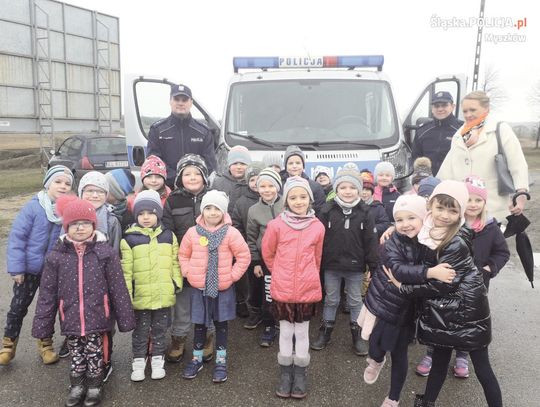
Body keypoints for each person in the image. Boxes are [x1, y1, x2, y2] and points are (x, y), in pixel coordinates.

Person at [386, 180, 503, 407]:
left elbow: (443, 284)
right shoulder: (428, 229)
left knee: (482, 367)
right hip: (443, 310)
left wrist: (404, 288)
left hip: (468, 313)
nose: (445, 215)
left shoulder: (455, 241)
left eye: (453, 210)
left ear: (460, 211)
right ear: (431, 206)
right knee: (439, 359)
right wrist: (393, 228)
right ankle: (427, 402)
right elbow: (409, 221)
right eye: (441, 208)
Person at [32, 197, 135, 407]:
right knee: (76, 353)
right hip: (69, 316)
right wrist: (43, 325)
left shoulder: (104, 252)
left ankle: (95, 385)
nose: (80, 228)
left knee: (95, 352)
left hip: (98, 315)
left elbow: (118, 288)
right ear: (66, 226)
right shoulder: (56, 256)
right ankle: (77, 385)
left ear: (93, 225)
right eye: (74, 224)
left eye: (85, 223)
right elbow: (47, 294)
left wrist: (125, 319)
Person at [359, 195, 456, 407]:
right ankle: (376, 359)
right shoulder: (392, 242)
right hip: (386, 301)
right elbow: (398, 270)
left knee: (399, 353)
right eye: (399, 220)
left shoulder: (431, 241)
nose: (405, 224)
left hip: (408, 309)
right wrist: (430, 272)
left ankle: (393, 397)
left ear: (424, 218)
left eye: (411, 218)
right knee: (375, 343)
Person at [415, 176, 510, 379]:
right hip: (447, 285)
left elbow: (502, 252)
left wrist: (488, 269)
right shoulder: (448, 226)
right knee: (440, 321)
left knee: (466, 326)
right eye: (470, 200)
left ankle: (461, 357)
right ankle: (431, 354)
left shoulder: (490, 227)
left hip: (475, 286)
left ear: (484, 203)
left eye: (478, 200)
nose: (474, 204)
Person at [0, 166, 73, 366]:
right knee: (18, 307)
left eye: (67, 183)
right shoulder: (33, 207)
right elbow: (17, 238)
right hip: (28, 271)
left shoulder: (67, 211)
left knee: (47, 309)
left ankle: (45, 345)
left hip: (52, 272)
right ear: (47, 183)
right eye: (58, 182)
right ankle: (8, 345)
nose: (63, 186)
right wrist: (17, 268)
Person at [262, 176, 325, 399]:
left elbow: (317, 258)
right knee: (286, 332)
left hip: (307, 289)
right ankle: (285, 374)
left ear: (310, 198)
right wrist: (279, 271)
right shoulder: (276, 225)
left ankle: (300, 374)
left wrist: (307, 276)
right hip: (283, 288)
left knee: (302, 331)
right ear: (286, 200)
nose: (299, 201)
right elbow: (268, 254)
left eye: (303, 196)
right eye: (293, 197)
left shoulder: (317, 227)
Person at [179, 190, 251, 383]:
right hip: (198, 288)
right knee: (200, 324)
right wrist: (187, 272)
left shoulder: (231, 233)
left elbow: (244, 256)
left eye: (217, 209)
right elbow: (183, 254)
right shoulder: (192, 233)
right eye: (208, 208)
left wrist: (232, 276)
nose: (212, 213)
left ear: (223, 212)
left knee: (221, 324)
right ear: (202, 211)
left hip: (223, 288)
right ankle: (197, 358)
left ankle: (221, 360)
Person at [311, 168, 378, 356]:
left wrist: (373, 265)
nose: (348, 191)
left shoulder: (366, 212)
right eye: (343, 187)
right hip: (331, 265)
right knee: (331, 299)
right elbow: (317, 239)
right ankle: (325, 333)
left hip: (356, 266)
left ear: (358, 189)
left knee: (355, 300)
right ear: (336, 189)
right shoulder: (326, 210)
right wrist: (317, 264)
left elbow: (371, 242)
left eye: (352, 187)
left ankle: (357, 337)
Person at [437, 90, 529, 221]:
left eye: (473, 110)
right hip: (463, 208)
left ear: (486, 109)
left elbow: (518, 164)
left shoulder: (500, 130)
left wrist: (521, 193)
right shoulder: (458, 136)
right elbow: (447, 170)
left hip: (493, 207)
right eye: (465, 111)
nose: (468, 115)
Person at [121, 190, 183, 382]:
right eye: (141, 213)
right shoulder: (129, 239)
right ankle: (138, 362)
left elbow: (175, 262)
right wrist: (127, 295)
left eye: (150, 212)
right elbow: (126, 271)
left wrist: (176, 283)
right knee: (140, 331)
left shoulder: (168, 236)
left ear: (158, 213)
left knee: (159, 330)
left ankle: (158, 360)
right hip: (140, 296)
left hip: (163, 294)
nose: (146, 217)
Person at [161, 154, 215, 363]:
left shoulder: (213, 197)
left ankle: (208, 336)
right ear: (180, 177)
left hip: (209, 259)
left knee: (206, 301)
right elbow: (167, 229)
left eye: (197, 173)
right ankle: (179, 338)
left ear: (204, 176)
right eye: (187, 174)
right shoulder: (173, 200)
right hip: (183, 260)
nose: (192, 177)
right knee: (182, 304)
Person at [147, 83, 217, 187]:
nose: (180, 103)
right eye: (177, 99)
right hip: (167, 188)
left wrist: (190, 179)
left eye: (184, 100)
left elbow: (210, 164)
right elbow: (154, 161)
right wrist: (178, 178)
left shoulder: (203, 132)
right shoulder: (157, 130)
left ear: (191, 102)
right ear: (170, 101)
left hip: (195, 188)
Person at [212, 145, 253, 317]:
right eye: (235, 163)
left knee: (242, 270)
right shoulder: (220, 182)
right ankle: (229, 301)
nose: (239, 167)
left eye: (243, 163)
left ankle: (243, 301)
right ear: (229, 165)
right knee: (225, 266)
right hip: (223, 232)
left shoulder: (251, 181)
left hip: (245, 231)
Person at [245, 168, 284, 346]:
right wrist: (256, 262)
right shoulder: (253, 211)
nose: (267, 190)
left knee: (285, 293)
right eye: (263, 186)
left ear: (277, 187)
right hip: (266, 260)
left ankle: (285, 323)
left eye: (271, 186)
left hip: (287, 259)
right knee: (268, 294)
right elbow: (251, 238)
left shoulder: (287, 204)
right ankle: (269, 325)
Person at [231, 162, 266, 330]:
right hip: (249, 250)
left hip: (270, 251)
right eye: (252, 179)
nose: (256, 183)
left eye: (259, 179)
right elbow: (236, 224)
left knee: (268, 284)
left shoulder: (271, 199)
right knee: (251, 285)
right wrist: (243, 243)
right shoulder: (241, 202)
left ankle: (269, 314)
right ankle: (254, 313)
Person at [412, 91, 463, 175]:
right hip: (427, 180)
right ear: (432, 109)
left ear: (452, 107)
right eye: (436, 106)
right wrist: (420, 178)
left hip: (453, 181)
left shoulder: (462, 129)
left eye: (444, 105)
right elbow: (416, 158)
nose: (440, 109)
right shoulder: (422, 130)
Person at [78, 171, 122, 252]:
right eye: (90, 191)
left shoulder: (112, 221)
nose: (95, 195)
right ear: (81, 192)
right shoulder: (70, 216)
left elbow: (115, 251)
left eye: (100, 191)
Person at [280, 145, 326, 214]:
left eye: (298, 163)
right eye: (290, 163)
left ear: (303, 165)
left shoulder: (315, 187)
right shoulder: (279, 186)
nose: (294, 166)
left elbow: (320, 211)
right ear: (286, 166)